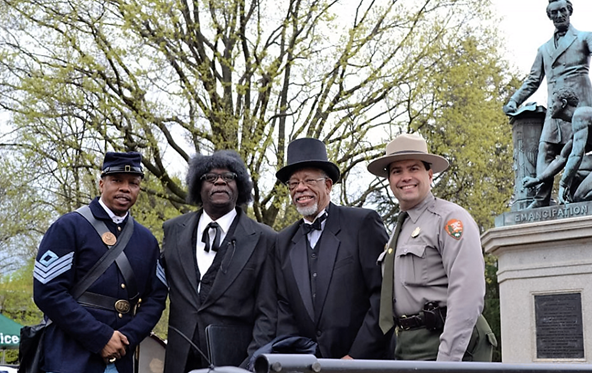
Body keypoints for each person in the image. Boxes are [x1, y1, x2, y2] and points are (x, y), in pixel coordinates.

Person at [33, 151, 167, 373]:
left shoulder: (147, 240)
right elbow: (48, 291)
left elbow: (157, 297)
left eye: (133, 183)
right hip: (70, 356)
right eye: (117, 181)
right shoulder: (69, 227)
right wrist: (101, 337)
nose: (125, 188)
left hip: (122, 358)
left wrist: (128, 337)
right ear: (101, 184)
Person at [368, 133, 496, 361]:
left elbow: (468, 293)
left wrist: (447, 361)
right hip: (409, 344)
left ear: (429, 174)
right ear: (389, 180)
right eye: (397, 171)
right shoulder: (401, 228)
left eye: (413, 169)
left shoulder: (450, 219)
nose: (405, 177)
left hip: (448, 343)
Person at [275, 137, 391, 359]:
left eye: (308, 180)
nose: (300, 188)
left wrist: (356, 357)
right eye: (293, 183)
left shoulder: (363, 223)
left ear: (327, 185)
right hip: (309, 365)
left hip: (364, 363)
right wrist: (296, 359)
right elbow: (284, 309)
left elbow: (383, 297)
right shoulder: (283, 241)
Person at [161, 150, 277, 372]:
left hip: (236, 363)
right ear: (198, 186)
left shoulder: (265, 238)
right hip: (178, 361)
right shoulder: (173, 230)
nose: (221, 182)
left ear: (240, 185)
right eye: (210, 178)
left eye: (229, 177)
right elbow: (154, 291)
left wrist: (251, 364)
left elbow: (269, 313)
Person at [503, 0, 592, 208]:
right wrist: (514, 100)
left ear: (569, 11)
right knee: (545, 149)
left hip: (577, 105)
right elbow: (533, 80)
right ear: (550, 16)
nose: (559, 15)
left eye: (562, 10)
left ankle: (590, 189)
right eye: (554, 13)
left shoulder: (584, 37)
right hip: (555, 109)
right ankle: (541, 199)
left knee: (579, 149)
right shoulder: (544, 49)